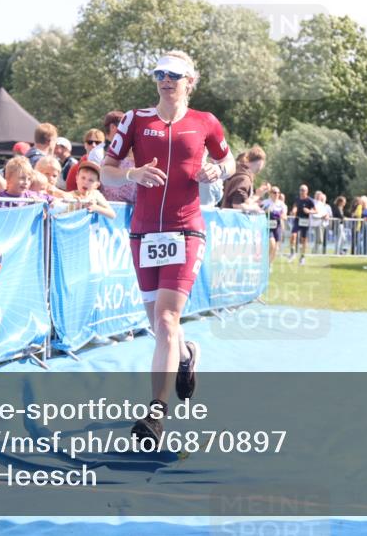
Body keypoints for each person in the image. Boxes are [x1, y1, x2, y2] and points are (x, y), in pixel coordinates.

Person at [100, 50, 234, 444]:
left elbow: (228, 163)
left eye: (174, 74)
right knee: (158, 326)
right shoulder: (135, 120)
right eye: (159, 73)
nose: (165, 80)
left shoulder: (204, 122)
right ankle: (187, 355)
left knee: (167, 319)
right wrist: (132, 172)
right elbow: (106, 172)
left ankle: (155, 415)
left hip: (185, 229)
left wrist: (216, 169)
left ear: (190, 81)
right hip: (143, 232)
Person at [221, 146, 266, 210]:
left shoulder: (238, 172)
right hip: (233, 218)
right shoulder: (244, 178)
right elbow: (237, 205)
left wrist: (257, 195)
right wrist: (255, 209)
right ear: (259, 162)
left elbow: (243, 201)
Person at [287, 184, 317, 265]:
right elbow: (295, 206)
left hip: (305, 221)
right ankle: (292, 253)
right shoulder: (297, 199)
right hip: (298, 220)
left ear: (307, 191)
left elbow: (316, 211)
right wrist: (293, 211)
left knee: (304, 240)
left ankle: (302, 257)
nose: (302, 192)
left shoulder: (310, 200)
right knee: (293, 235)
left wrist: (309, 211)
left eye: (304, 190)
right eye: (301, 190)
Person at [261, 185, 287, 262]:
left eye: (278, 193)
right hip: (268, 226)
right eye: (274, 192)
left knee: (276, 247)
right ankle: (266, 261)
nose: (276, 194)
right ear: (270, 193)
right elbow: (259, 211)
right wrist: (265, 211)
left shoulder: (281, 204)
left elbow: (285, 216)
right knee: (272, 244)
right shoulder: (265, 202)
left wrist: (281, 215)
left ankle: (269, 263)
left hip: (277, 227)